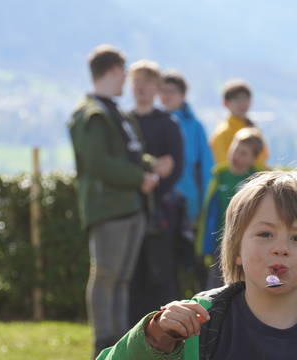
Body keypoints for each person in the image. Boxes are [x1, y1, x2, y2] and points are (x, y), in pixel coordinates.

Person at [97, 171, 297, 359]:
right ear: (236, 250)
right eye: (264, 234)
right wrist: (154, 339)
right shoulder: (191, 328)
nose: (280, 248)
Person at [68, 45, 168, 357]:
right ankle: (103, 340)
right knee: (106, 275)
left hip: (131, 208)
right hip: (109, 210)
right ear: (112, 71)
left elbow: (129, 153)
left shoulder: (114, 112)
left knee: (121, 279)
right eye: (123, 72)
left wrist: (150, 165)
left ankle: (116, 342)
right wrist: (141, 178)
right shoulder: (91, 114)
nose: (126, 79)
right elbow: (99, 163)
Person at [127, 60, 185, 324]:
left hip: (161, 211)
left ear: (156, 87)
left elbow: (175, 165)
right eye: (136, 82)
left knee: (161, 271)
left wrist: (154, 185)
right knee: (132, 272)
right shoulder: (124, 123)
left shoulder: (168, 123)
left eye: (147, 82)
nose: (141, 88)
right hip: (128, 208)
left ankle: (165, 329)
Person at [197, 128, 265, 288]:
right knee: (215, 286)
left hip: (244, 245)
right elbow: (209, 214)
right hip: (219, 244)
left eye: (243, 153)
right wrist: (205, 245)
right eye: (235, 149)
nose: (236, 156)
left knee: (241, 285)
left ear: (253, 159)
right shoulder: (219, 176)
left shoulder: (256, 181)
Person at [160, 71, 214, 225]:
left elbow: (205, 167)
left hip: (189, 200)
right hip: (160, 200)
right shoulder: (153, 122)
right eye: (163, 91)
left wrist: (205, 205)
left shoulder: (195, 127)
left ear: (183, 95)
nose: (167, 95)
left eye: (172, 91)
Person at [209, 79, 269, 168]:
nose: (242, 103)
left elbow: (263, 158)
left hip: (257, 179)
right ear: (225, 103)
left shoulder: (254, 129)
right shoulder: (221, 134)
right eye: (237, 99)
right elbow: (223, 166)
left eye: (245, 98)